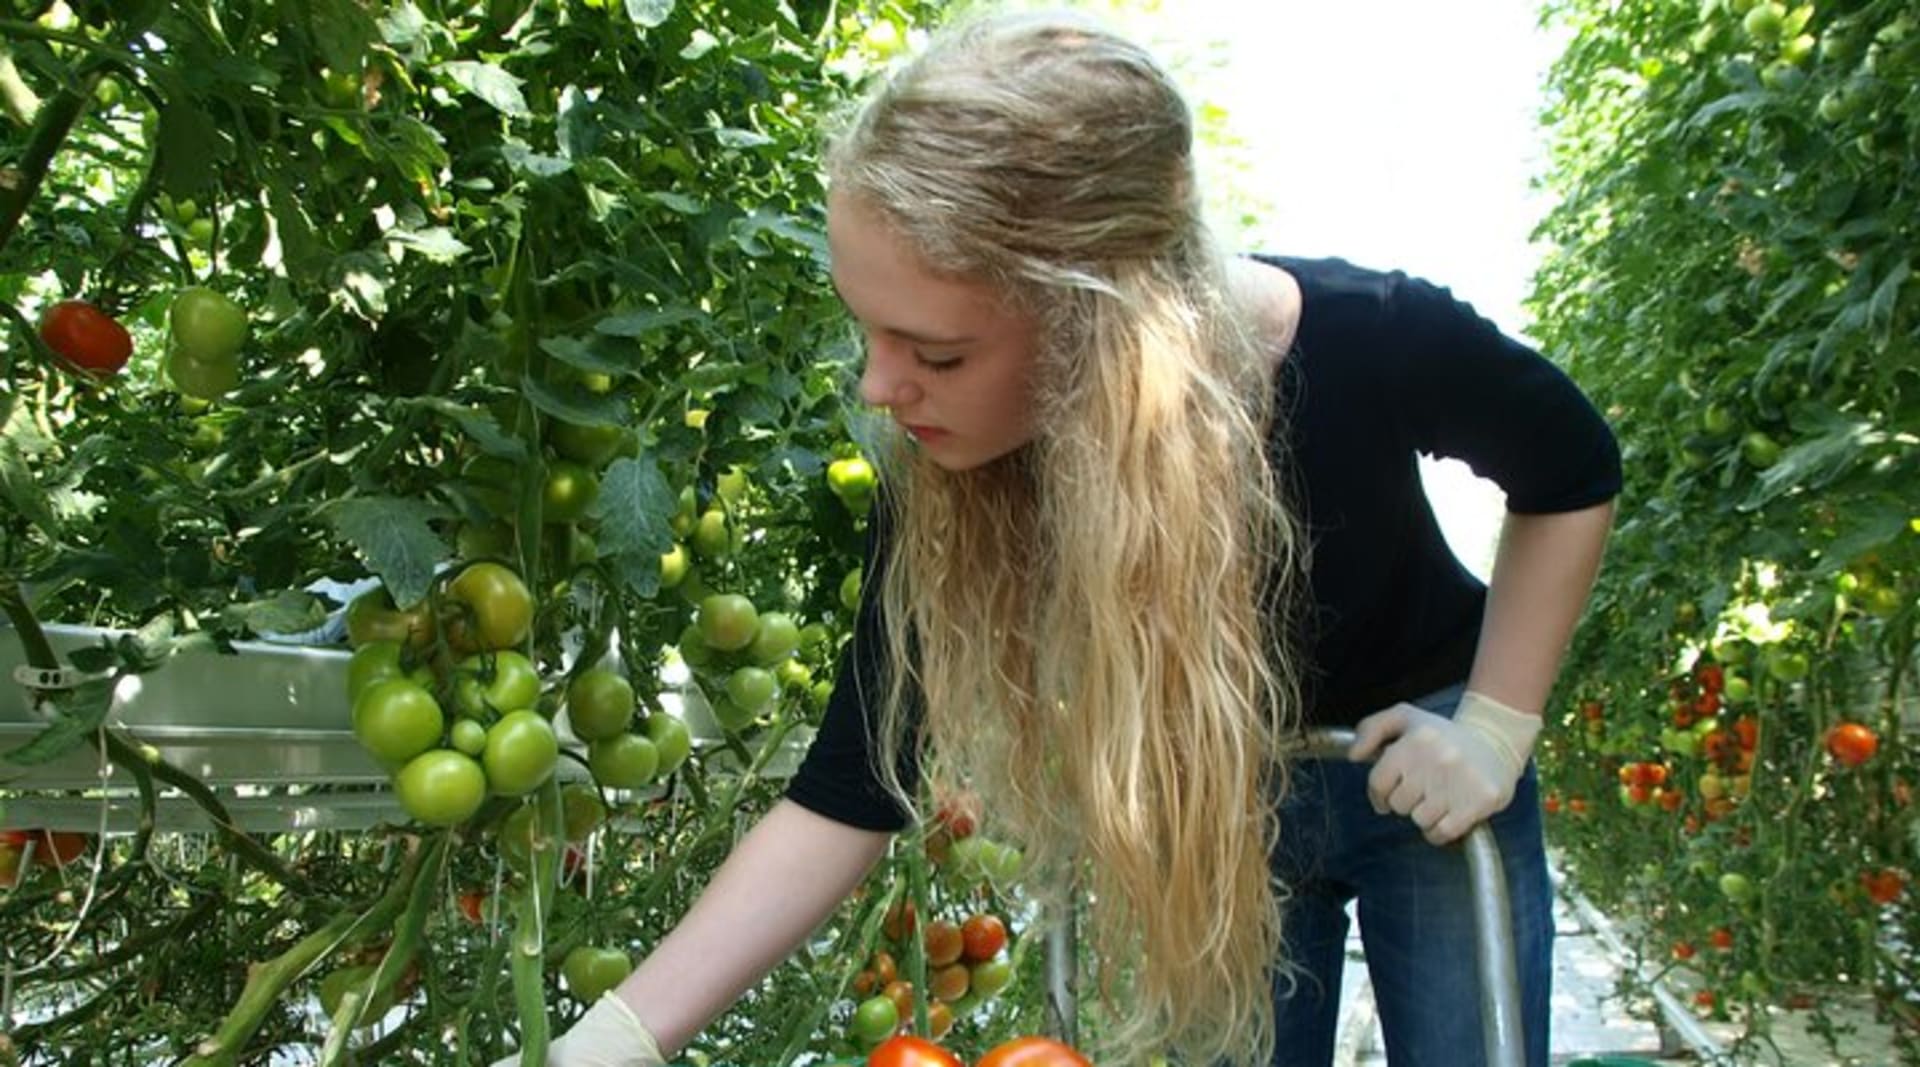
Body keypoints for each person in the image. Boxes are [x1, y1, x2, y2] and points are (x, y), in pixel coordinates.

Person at [495, 9, 1619, 1067]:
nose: (880, 387)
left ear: (1104, 328)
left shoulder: (1369, 337)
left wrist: (1492, 726)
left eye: (934, 354)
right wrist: (611, 1043)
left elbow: (1570, 464)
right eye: (869, 331)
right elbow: (850, 788)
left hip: (1416, 767)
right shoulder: (952, 469)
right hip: (1222, 796)